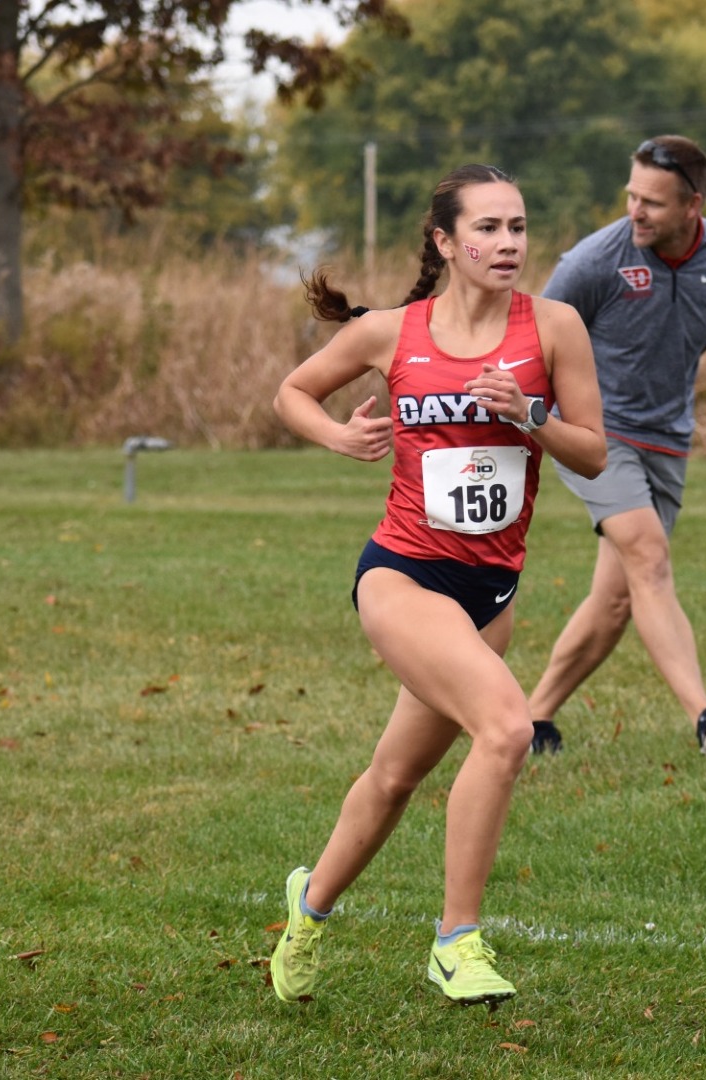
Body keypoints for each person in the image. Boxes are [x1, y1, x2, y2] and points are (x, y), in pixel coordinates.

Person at [265, 164, 605, 1007]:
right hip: (402, 575)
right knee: (505, 728)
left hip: (490, 594)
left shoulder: (554, 327)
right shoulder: (391, 333)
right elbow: (292, 392)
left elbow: (595, 451)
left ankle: (306, 914)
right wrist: (339, 439)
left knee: (392, 778)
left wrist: (528, 415)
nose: (507, 244)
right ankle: (456, 941)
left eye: (518, 228)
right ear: (446, 243)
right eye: (487, 229)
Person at [521, 135, 706, 757]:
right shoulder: (594, 262)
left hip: (668, 436)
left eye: (652, 201)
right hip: (596, 435)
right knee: (648, 556)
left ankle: (532, 718)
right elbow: (535, 335)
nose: (636, 211)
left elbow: (700, 335)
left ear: (693, 206)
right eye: (631, 195)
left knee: (618, 596)